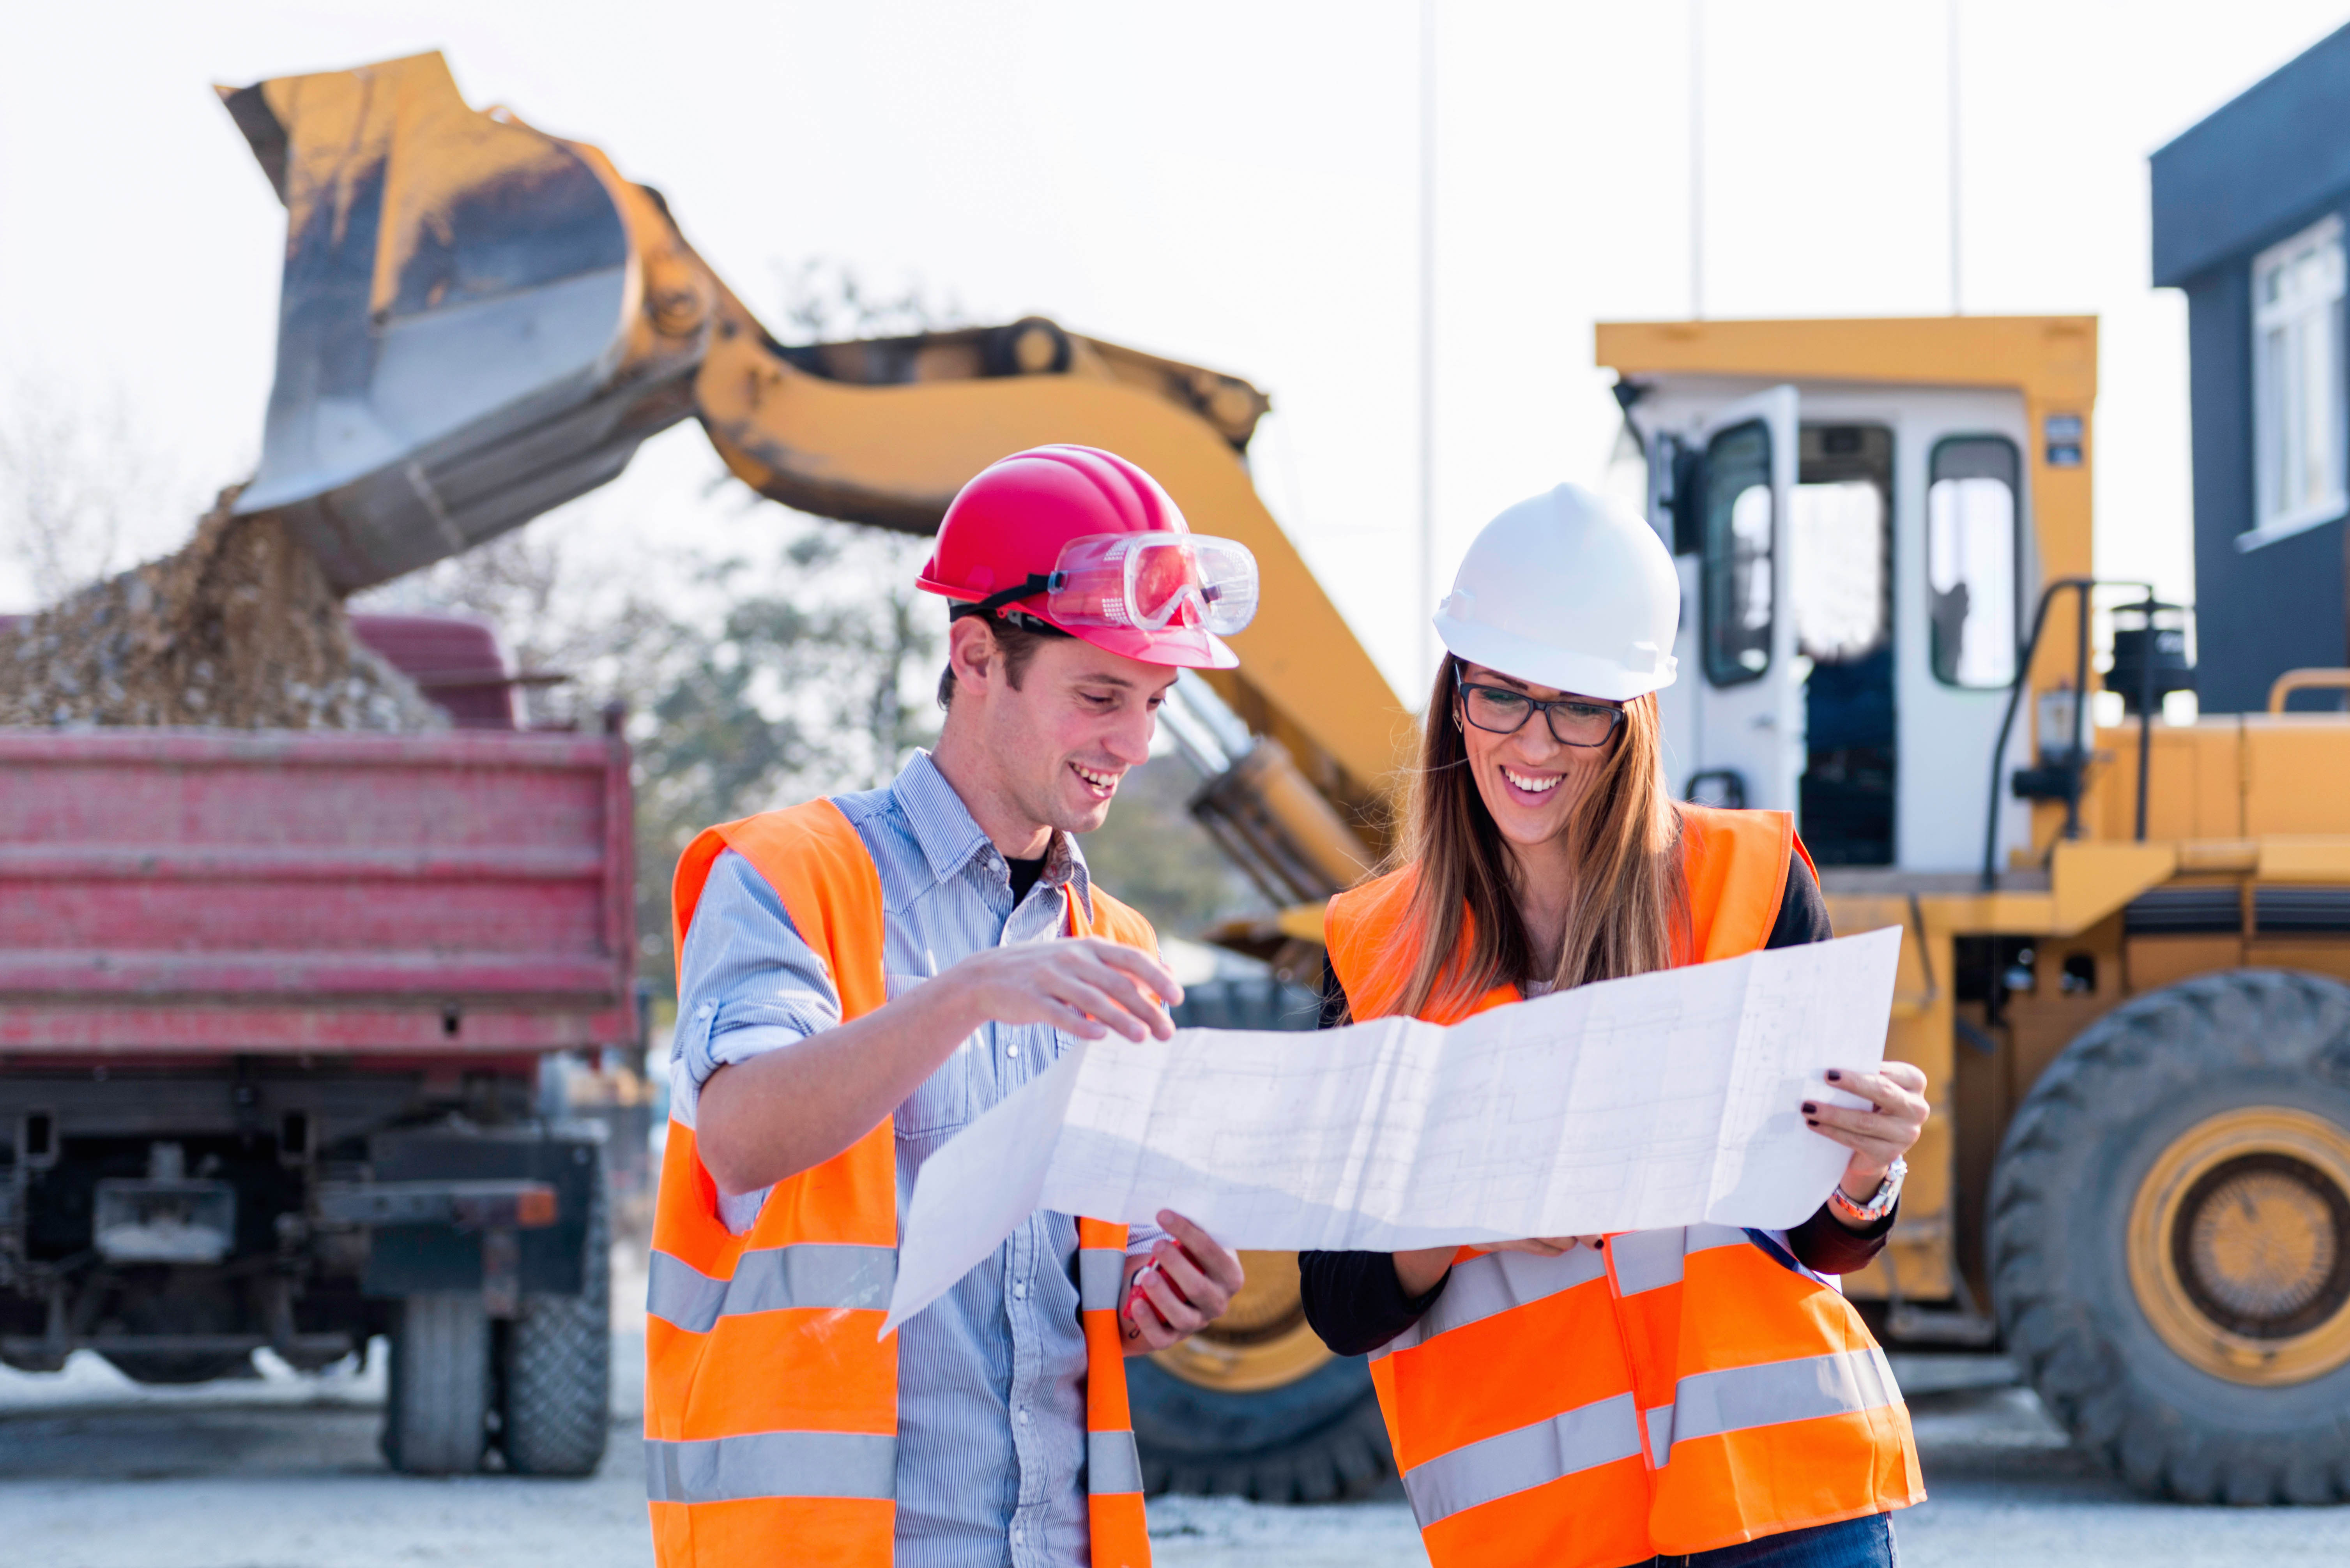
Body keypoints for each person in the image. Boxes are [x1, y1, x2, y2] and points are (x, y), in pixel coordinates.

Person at [645, 445, 1259, 1568]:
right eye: (1100, 696)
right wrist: (969, 994)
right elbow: (737, 1140)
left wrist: (1145, 1298)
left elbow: (1030, 1285)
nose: (1136, 743)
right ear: (976, 656)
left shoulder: (1112, 945)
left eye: (1156, 702)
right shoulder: (789, 878)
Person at [1299, 484, 1931, 1568]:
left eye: (1577, 706)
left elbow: (1818, 1242)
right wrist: (1476, 1207)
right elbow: (1342, 1301)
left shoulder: (1754, 885)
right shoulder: (1376, 953)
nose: (1532, 740)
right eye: (1501, 695)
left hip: (1786, 1507)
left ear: (1630, 717)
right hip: (1544, 1534)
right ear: (1459, 700)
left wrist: (1869, 1172)